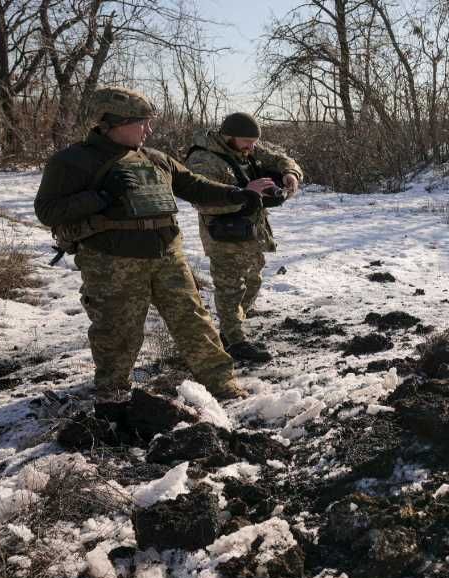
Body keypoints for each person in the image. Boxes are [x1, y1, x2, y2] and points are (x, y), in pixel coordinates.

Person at [34, 87, 274, 415]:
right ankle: (113, 392)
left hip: (168, 255)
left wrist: (238, 194)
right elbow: (48, 210)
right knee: (117, 330)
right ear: (112, 123)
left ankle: (221, 382)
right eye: (142, 122)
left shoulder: (155, 158)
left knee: (194, 321)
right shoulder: (73, 161)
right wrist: (102, 197)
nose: (148, 130)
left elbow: (193, 185)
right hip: (112, 261)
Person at [184, 112, 303, 364]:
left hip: (251, 231)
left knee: (253, 280)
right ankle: (234, 340)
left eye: (254, 142)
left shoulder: (246, 148)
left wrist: (290, 173)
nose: (252, 148)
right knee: (230, 288)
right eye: (247, 142)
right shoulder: (203, 159)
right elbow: (202, 200)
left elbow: (280, 158)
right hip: (224, 233)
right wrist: (243, 193)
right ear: (228, 137)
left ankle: (233, 328)